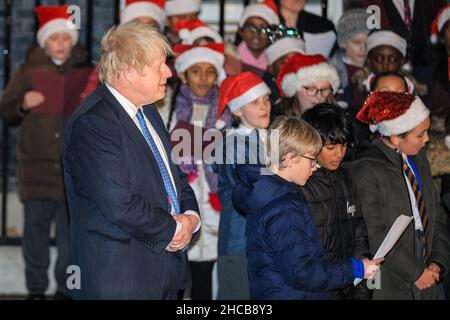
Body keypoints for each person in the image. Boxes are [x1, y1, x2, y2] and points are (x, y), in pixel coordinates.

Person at [62, 22, 201, 299]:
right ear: (128, 72)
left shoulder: (148, 111)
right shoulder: (94, 123)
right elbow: (120, 204)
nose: (169, 72)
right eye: (159, 66)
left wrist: (191, 219)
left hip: (164, 274)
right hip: (120, 280)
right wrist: (174, 228)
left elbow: (174, 177)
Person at [232, 116, 383, 300]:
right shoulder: (282, 206)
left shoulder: (272, 194)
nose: (315, 167)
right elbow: (302, 273)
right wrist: (357, 268)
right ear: (289, 159)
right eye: (312, 160)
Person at [0, 5, 91, 300]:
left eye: (67, 38)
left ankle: (67, 288)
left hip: (71, 171)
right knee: (35, 234)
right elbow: (7, 107)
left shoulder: (85, 71)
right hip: (37, 167)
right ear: (44, 41)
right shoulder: (28, 70)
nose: (62, 44)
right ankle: (35, 288)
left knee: (70, 236)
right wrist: (22, 103)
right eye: (55, 38)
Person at [351, 90, 450, 300]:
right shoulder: (367, 170)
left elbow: (436, 210)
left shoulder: (418, 158)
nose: (427, 139)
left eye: (428, 131)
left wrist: (438, 260)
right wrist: (416, 272)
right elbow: (375, 233)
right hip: (392, 274)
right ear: (396, 137)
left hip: (426, 257)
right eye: (420, 134)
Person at [165, 42, 228, 300]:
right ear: (183, 74)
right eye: (196, 71)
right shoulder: (167, 107)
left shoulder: (226, 109)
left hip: (213, 201)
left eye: (210, 71)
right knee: (177, 271)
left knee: (205, 274)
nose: (203, 78)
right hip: (180, 197)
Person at [301, 104, 371, 300]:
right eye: (331, 147)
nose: (339, 153)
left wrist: (362, 290)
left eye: (344, 145)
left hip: (349, 286)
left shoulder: (346, 178)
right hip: (316, 289)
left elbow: (359, 234)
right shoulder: (300, 184)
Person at [215, 72, 271, 300]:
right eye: (255, 102)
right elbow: (256, 185)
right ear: (237, 110)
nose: (264, 106)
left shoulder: (266, 138)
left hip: (263, 242)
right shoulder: (233, 144)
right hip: (239, 243)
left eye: (266, 99)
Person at [81, 0, 167, 100]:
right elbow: (90, 101)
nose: (145, 30)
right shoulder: (109, 65)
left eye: (152, 26)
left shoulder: (169, 66)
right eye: (138, 25)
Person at [276, 53, 340, 118]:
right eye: (312, 89)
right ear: (295, 91)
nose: (319, 96)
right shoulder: (280, 121)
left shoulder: (337, 119)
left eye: (324, 89)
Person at [262, 31, 306, 119]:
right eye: (284, 63)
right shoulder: (263, 95)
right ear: (271, 67)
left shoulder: (309, 89)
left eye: (297, 62)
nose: (291, 67)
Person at [330, 8, 369, 98]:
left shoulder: (380, 67)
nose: (363, 48)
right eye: (356, 42)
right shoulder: (332, 72)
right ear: (343, 42)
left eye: (368, 42)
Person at [237, 0, 280, 75]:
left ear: (271, 33)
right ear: (241, 31)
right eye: (251, 27)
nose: (256, 33)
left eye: (263, 28)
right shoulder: (230, 62)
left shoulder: (276, 64)